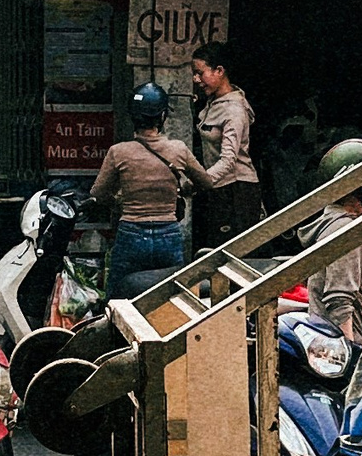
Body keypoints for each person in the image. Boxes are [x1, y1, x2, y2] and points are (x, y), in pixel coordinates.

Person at [87, 82, 199, 297]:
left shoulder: (118, 152)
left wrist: (118, 202)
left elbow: (98, 193)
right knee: (174, 297)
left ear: (132, 116)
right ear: (163, 116)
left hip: (131, 233)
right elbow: (206, 182)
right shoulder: (179, 149)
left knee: (117, 298)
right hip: (169, 233)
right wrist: (183, 190)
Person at [305, 138, 362, 345]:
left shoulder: (341, 224)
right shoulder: (346, 232)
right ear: (354, 187)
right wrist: (350, 353)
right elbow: (339, 303)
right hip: (351, 344)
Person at [189, 46, 265, 244]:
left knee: (229, 251)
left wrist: (199, 182)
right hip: (219, 187)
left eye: (200, 73)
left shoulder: (234, 110)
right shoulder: (213, 102)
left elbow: (228, 161)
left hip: (237, 190)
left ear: (219, 71)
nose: (195, 79)